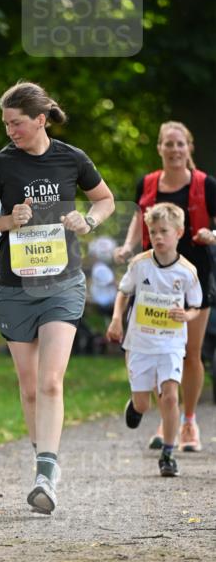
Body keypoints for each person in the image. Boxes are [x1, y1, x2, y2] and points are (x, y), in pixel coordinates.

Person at [0, 81, 115, 515]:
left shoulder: (72, 158)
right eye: (6, 124)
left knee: (52, 380)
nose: (10, 131)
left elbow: (106, 200)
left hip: (62, 283)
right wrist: (7, 221)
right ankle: (44, 456)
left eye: (16, 123)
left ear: (39, 119)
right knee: (30, 386)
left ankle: (45, 473)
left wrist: (87, 220)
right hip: (15, 287)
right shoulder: (1, 165)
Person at [114, 121, 216, 452]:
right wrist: (129, 247)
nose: (174, 150)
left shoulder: (206, 185)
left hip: (193, 276)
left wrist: (211, 237)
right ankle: (165, 417)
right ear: (159, 148)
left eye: (180, 144)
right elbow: (138, 218)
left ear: (189, 148)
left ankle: (188, 422)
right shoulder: (146, 183)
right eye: (168, 144)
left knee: (190, 352)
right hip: (153, 279)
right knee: (156, 349)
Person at [107, 203, 203, 478]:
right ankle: (135, 406)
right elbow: (124, 292)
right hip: (140, 344)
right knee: (143, 403)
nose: (158, 237)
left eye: (164, 231)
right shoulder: (140, 265)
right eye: (153, 231)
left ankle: (168, 454)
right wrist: (116, 319)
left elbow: (196, 306)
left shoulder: (187, 271)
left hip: (171, 343)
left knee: (171, 398)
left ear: (179, 233)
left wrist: (186, 314)